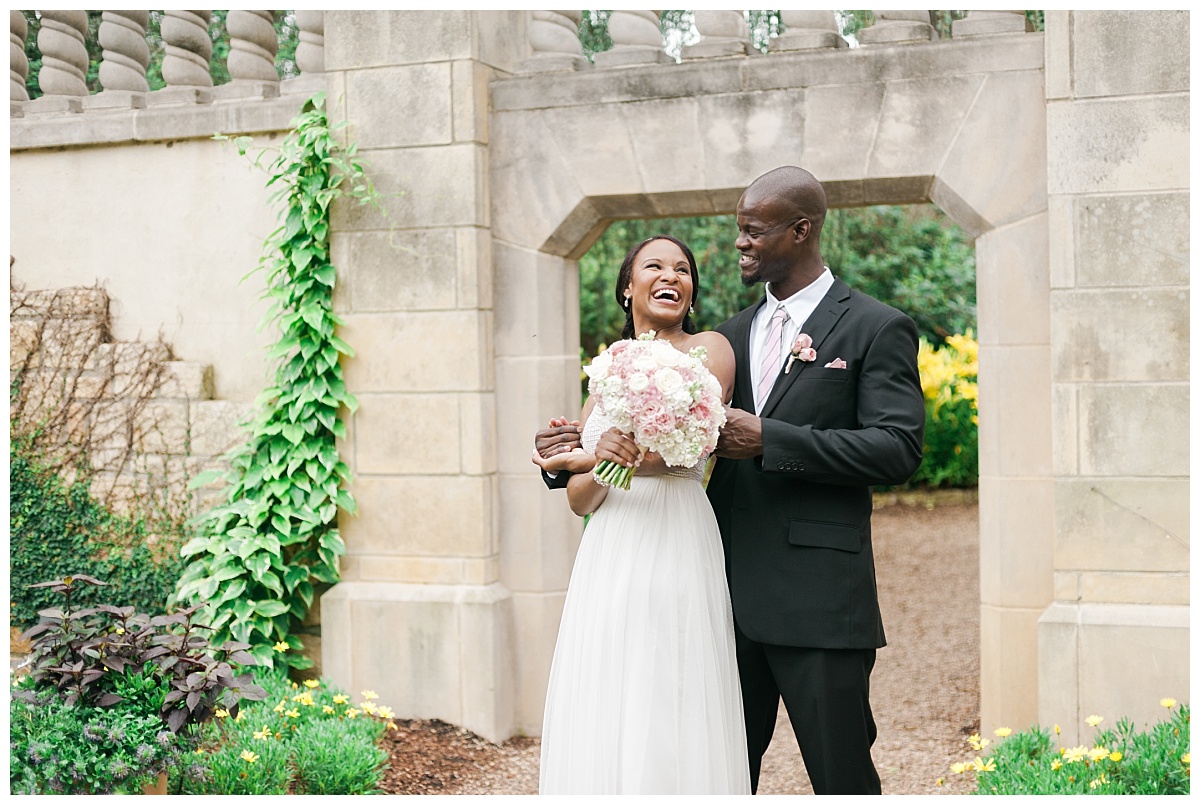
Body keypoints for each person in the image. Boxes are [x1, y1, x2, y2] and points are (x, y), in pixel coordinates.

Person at [535, 166, 925, 795]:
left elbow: (898, 448)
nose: (739, 244)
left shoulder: (874, 326)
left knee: (842, 776)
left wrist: (772, 439)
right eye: (738, 231)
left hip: (816, 597)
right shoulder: (728, 337)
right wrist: (570, 453)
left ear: (800, 231)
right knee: (710, 771)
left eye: (752, 231)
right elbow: (661, 438)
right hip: (715, 594)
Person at [532, 234, 749, 794]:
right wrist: (593, 458)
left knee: (672, 676)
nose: (670, 275)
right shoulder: (608, 369)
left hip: (677, 529)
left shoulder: (711, 350)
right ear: (629, 288)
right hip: (612, 543)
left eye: (682, 268)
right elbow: (580, 498)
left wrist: (592, 455)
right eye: (654, 266)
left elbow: (692, 449)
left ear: (692, 291)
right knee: (610, 678)